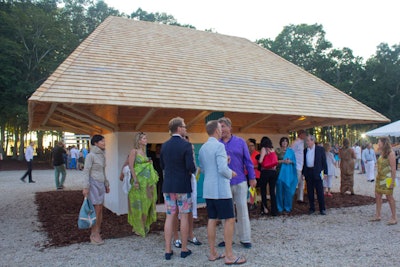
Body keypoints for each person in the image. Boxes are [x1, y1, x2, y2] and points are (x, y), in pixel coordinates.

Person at [199, 120, 246, 265]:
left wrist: (225, 161)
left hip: (208, 189)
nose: (221, 130)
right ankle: (229, 255)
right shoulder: (219, 146)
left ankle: (213, 253)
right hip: (220, 189)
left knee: (212, 219)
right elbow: (222, 169)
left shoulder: (202, 148)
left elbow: (205, 168)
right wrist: (231, 173)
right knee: (229, 219)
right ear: (216, 130)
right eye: (220, 128)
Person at [160, 117, 196, 260]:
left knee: (170, 216)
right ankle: (184, 249)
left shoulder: (164, 146)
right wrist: (192, 170)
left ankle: (168, 250)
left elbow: (162, 165)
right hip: (182, 186)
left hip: (168, 186)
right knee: (185, 216)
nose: (186, 129)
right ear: (179, 128)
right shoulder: (186, 145)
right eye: (184, 126)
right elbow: (190, 167)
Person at [218, 117, 256, 249]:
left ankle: (245, 238)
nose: (221, 129)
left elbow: (248, 161)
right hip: (224, 183)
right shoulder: (217, 144)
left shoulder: (240, 142)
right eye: (219, 127)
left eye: (223, 126)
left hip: (239, 181)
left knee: (242, 210)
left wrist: (252, 178)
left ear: (230, 127)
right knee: (226, 213)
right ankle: (228, 238)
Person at [127, 132, 159, 237]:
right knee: (138, 204)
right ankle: (138, 227)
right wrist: (135, 181)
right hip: (139, 182)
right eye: (144, 138)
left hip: (147, 184)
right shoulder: (134, 151)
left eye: (146, 138)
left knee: (147, 203)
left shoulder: (144, 151)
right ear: (139, 140)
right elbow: (131, 166)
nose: (146, 140)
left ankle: (144, 225)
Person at [82, 135, 110, 245]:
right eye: (102, 141)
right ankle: (94, 233)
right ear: (96, 143)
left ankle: (97, 231)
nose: (104, 142)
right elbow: (86, 171)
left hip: (101, 184)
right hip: (93, 183)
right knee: (96, 209)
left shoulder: (102, 156)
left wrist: (106, 184)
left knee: (100, 208)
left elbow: (103, 171)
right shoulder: (90, 156)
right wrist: (85, 186)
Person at [370, 137, 397, 225]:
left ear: (384, 143)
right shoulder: (382, 153)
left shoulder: (391, 153)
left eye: (379, 142)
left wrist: (392, 182)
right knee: (377, 195)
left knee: (389, 197)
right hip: (380, 178)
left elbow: (393, 169)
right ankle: (378, 215)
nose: (378, 144)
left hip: (388, 178)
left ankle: (394, 217)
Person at [302, 135, 327, 215]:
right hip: (308, 172)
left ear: (313, 141)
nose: (307, 142)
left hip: (317, 172)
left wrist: (325, 172)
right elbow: (304, 163)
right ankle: (312, 208)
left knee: (319, 191)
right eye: (307, 141)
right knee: (310, 191)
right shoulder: (305, 150)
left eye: (308, 141)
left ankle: (322, 208)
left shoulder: (320, 149)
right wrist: (303, 173)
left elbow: (324, 162)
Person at [276, 137, 297, 214]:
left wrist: (290, 161)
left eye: (286, 141)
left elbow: (294, 162)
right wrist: (283, 161)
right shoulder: (277, 151)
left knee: (288, 191)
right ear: (280, 142)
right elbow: (274, 161)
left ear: (288, 143)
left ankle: (287, 207)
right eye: (283, 141)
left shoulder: (291, 151)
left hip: (288, 174)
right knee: (279, 191)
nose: (284, 143)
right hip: (279, 173)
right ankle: (279, 207)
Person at [258, 136, 278, 216]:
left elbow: (260, 161)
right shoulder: (272, 150)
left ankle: (265, 208)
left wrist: (260, 160)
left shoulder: (264, 149)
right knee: (272, 191)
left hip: (265, 172)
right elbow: (275, 162)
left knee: (263, 191)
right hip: (273, 172)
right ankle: (274, 210)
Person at [292, 129, 306, 203]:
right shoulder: (295, 143)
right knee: (295, 182)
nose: (305, 136)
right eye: (303, 134)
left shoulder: (303, 143)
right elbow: (292, 152)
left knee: (301, 182)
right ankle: (291, 196)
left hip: (301, 165)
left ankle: (300, 198)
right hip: (297, 165)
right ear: (300, 134)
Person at [247, 138, 260, 210]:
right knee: (250, 189)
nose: (250, 147)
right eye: (248, 146)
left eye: (252, 145)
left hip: (255, 174)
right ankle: (253, 202)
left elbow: (260, 165)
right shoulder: (247, 154)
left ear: (254, 146)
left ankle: (253, 203)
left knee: (252, 188)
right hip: (247, 173)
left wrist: (252, 167)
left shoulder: (257, 154)